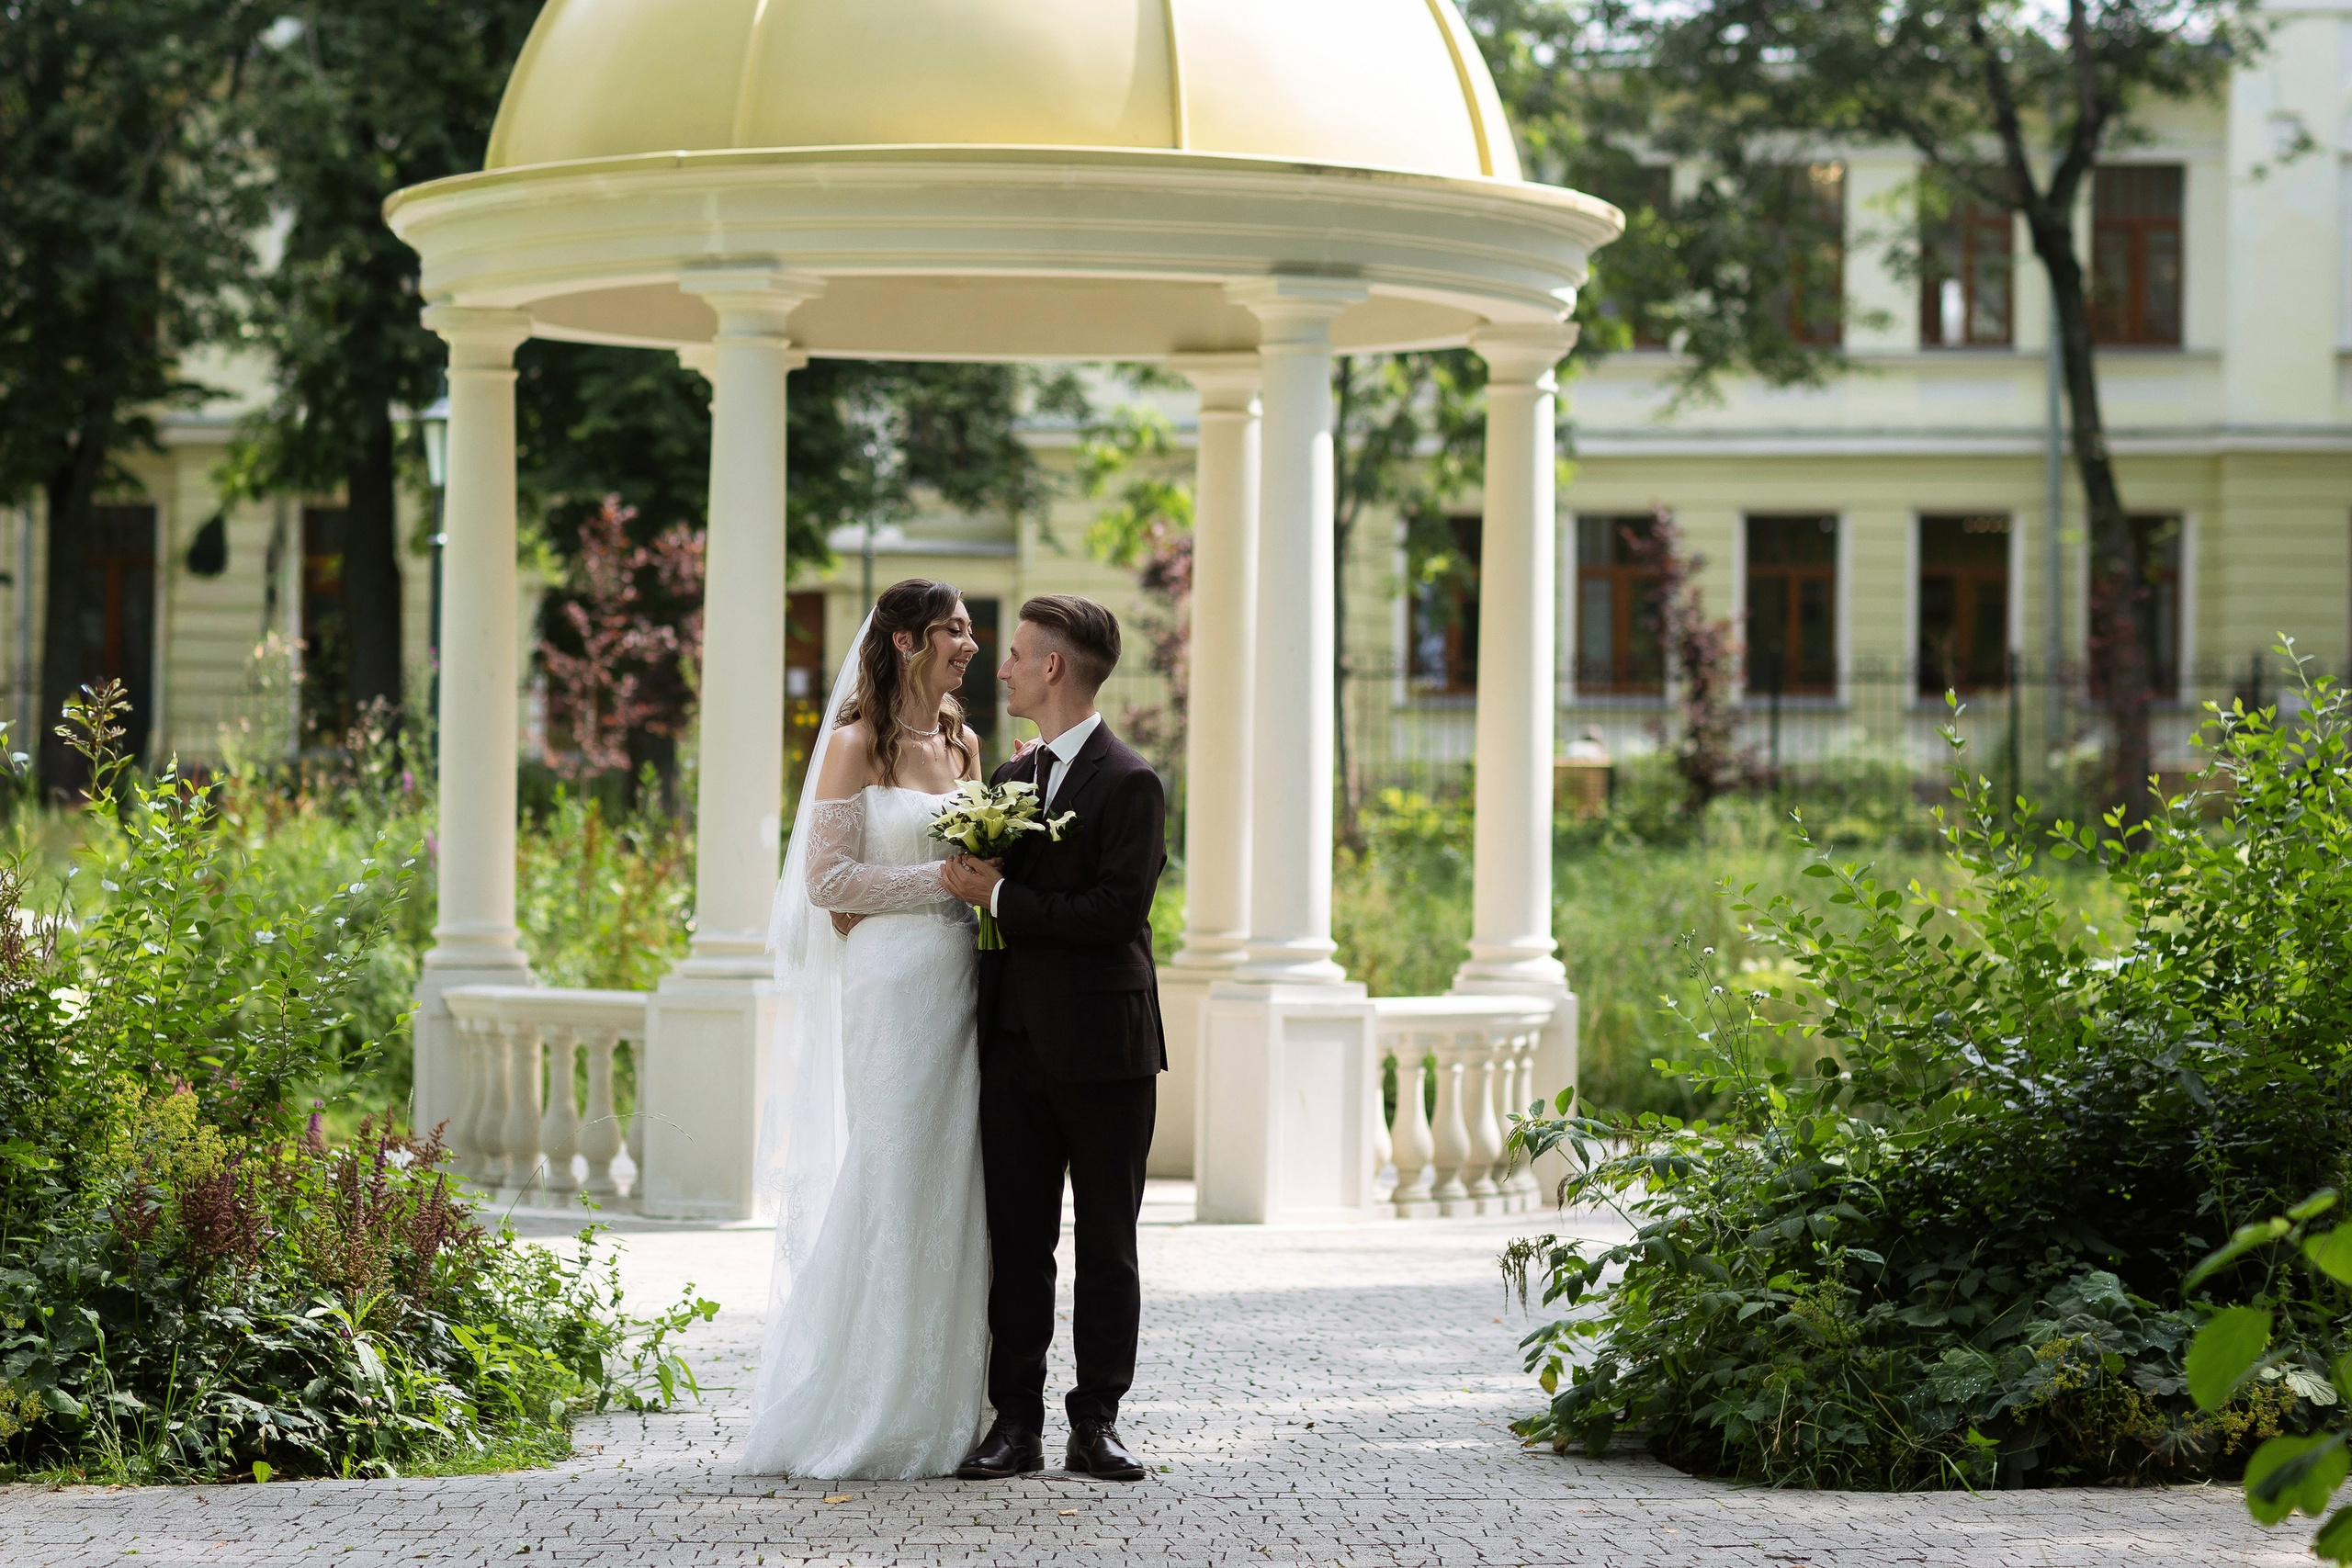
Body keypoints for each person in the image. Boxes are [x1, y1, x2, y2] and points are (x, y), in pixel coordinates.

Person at [741, 578, 993, 1480]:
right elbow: (827, 881)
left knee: (958, 1181)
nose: (970, 643)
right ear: (904, 642)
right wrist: (939, 884)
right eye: (953, 629)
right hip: (890, 986)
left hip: (962, 977)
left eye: (970, 628)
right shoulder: (855, 745)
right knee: (892, 1169)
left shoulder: (964, 743)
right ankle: (871, 1401)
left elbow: (978, 857)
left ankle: (953, 1401)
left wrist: (979, 884)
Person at [940, 594, 1168, 1482]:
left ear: (1053, 667)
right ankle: (1017, 1423)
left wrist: (998, 896)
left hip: (1108, 1053)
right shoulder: (1009, 776)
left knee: (1108, 1244)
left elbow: (1114, 914)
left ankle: (1096, 1422)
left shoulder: (1132, 781)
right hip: (1015, 1048)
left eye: (1016, 653)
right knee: (1018, 1244)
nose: (1000, 667)